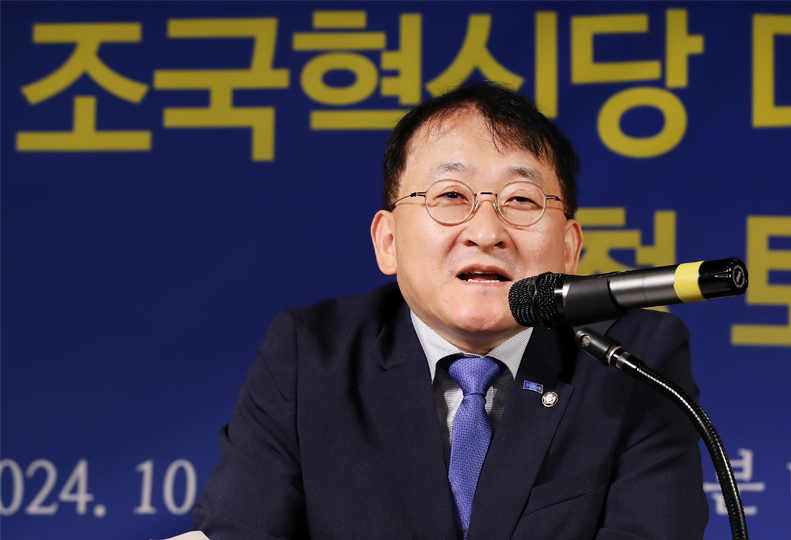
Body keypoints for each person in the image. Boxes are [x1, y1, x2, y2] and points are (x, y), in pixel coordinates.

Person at [193, 83, 708, 540]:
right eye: (451, 195)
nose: (485, 232)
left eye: (521, 200)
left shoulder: (633, 360)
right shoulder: (309, 357)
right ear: (388, 241)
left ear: (570, 249)